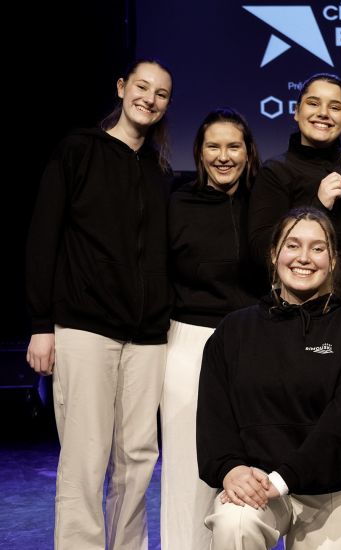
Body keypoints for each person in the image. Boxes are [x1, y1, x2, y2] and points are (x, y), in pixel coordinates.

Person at [25, 59, 173, 549]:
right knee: (86, 458)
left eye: (162, 94)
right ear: (121, 87)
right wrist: (41, 323)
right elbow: (43, 238)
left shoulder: (158, 169)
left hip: (148, 335)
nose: (149, 99)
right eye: (142, 87)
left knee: (138, 456)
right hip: (85, 328)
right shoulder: (78, 150)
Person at [197, 207, 341, 550]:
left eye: (317, 248)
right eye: (293, 245)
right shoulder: (233, 331)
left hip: (334, 490)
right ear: (274, 254)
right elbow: (214, 416)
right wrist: (230, 469)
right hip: (258, 482)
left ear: (333, 260)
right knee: (232, 523)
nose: (304, 258)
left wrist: (286, 478)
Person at [161, 107, 265, 550]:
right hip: (190, 339)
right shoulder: (177, 202)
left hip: (256, 340)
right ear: (200, 153)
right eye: (213, 146)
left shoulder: (265, 201)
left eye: (233, 146)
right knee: (187, 469)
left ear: (248, 152)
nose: (224, 156)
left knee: (256, 466)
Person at [249, 73, 341, 315]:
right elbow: (260, 251)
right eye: (313, 103)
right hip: (306, 309)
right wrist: (317, 206)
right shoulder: (275, 171)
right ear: (297, 111)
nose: (323, 113)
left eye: (335, 107)